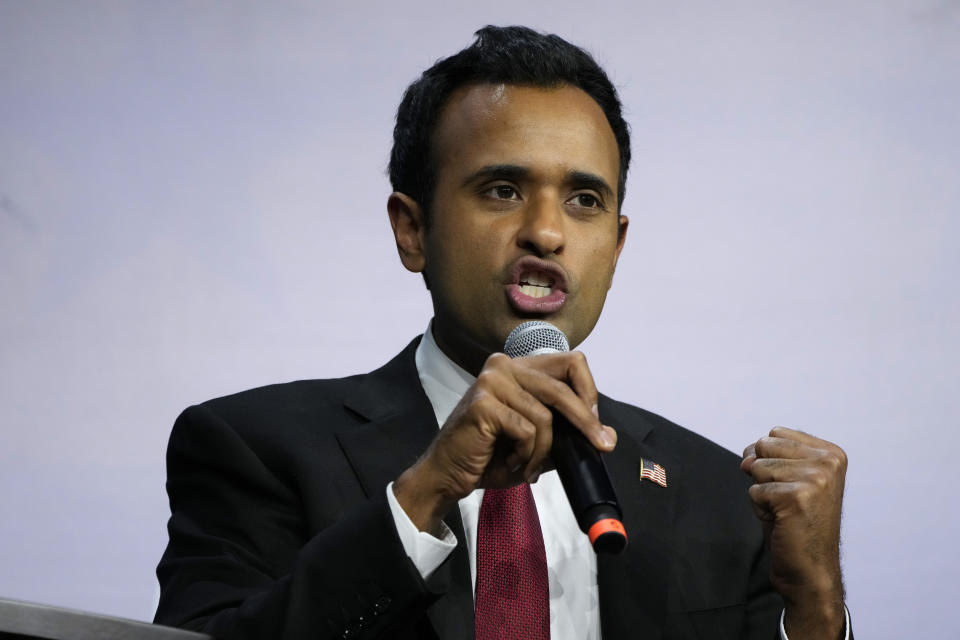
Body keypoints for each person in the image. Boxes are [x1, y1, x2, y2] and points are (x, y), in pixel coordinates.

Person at [154, 25, 851, 639]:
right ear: (412, 228)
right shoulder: (252, 449)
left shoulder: (716, 496)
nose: (545, 232)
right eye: (502, 190)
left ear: (616, 244)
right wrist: (424, 493)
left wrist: (816, 610)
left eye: (584, 200)